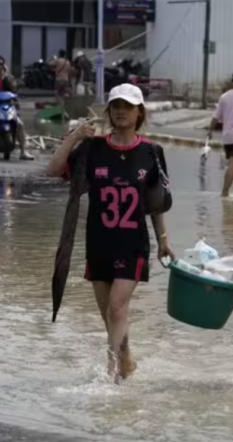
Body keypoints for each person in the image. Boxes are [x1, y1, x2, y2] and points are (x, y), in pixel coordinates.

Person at [46, 83, 175, 384]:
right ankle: (127, 361)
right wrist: (74, 136)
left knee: (118, 307)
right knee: (111, 315)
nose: (121, 111)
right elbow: (52, 170)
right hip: (99, 243)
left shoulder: (151, 153)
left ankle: (111, 373)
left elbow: (155, 204)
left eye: (128, 106)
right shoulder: (93, 149)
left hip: (133, 245)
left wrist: (164, 241)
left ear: (139, 112)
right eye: (116, 105)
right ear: (109, 110)